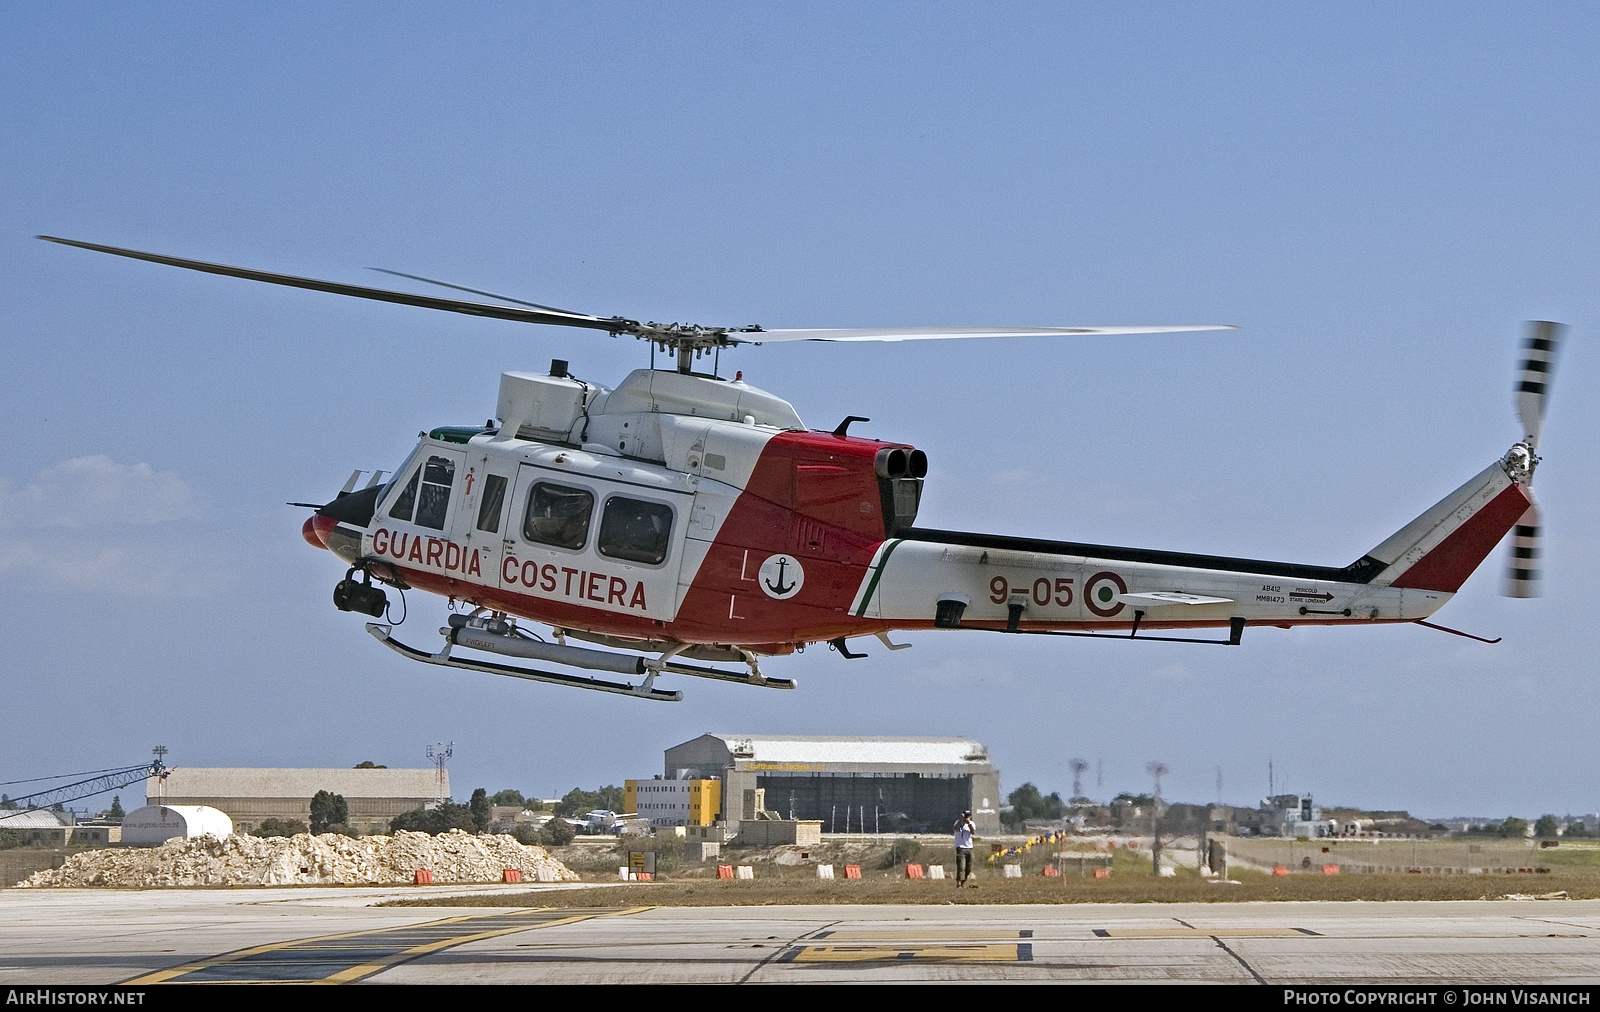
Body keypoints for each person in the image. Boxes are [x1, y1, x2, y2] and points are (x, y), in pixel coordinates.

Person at [953, 811, 975, 886]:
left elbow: (973, 832)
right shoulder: (957, 822)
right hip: (960, 847)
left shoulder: (971, 823)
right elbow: (956, 829)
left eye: (968, 816)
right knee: (961, 866)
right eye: (966, 816)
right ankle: (958, 882)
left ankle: (964, 880)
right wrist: (961, 821)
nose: (967, 817)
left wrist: (968, 823)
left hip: (969, 848)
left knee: (969, 867)